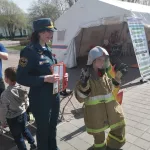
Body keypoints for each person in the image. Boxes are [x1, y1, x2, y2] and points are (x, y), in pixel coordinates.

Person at [16, 18, 68, 150]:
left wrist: (62, 76)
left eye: (51, 31)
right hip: (40, 99)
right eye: (47, 31)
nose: (50, 34)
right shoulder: (28, 51)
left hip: (54, 96)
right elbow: (21, 77)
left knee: (52, 127)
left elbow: (52, 69)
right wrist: (44, 78)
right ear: (39, 32)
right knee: (43, 130)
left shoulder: (47, 48)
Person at [75, 46, 126, 150]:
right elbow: (80, 98)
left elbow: (110, 89)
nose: (102, 62)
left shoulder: (104, 75)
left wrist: (117, 78)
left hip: (111, 112)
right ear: (92, 61)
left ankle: (112, 147)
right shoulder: (87, 77)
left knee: (120, 127)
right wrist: (84, 84)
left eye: (104, 60)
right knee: (99, 141)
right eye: (99, 60)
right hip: (95, 116)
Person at [0, 67, 36, 150]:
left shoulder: (5, 94)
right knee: (25, 129)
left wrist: (3, 122)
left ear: (7, 79)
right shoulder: (22, 88)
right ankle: (33, 144)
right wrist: (25, 108)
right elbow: (27, 101)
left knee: (18, 137)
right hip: (23, 114)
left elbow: (3, 110)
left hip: (13, 119)